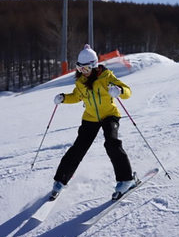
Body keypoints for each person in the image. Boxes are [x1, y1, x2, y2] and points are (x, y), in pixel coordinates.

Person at [51, 44, 136, 200]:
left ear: (94, 65)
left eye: (86, 68)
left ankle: (126, 179)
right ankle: (60, 181)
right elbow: (77, 96)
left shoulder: (106, 77)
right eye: (80, 68)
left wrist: (119, 91)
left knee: (112, 142)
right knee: (78, 148)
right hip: (90, 117)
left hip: (109, 115)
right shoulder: (81, 82)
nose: (83, 71)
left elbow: (127, 91)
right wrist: (63, 98)